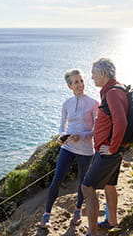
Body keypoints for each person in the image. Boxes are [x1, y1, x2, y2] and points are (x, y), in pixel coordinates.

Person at [40, 69, 99, 228]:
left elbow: (96, 129)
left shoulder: (94, 103)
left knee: (82, 182)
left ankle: (78, 211)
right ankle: (47, 215)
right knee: (57, 179)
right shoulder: (67, 103)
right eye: (76, 82)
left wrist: (82, 135)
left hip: (86, 150)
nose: (80, 85)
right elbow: (61, 126)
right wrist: (62, 136)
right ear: (69, 86)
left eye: (81, 81)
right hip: (68, 147)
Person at [81, 58, 128, 236]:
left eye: (93, 75)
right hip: (112, 150)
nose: (92, 79)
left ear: (102, 74)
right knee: (109, 185)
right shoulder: (114, 89)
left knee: (87, 187)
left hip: (108, 152)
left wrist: (113, 148)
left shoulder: (112, 93)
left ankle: (92, 232)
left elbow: (121, 122)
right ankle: (111, 221)